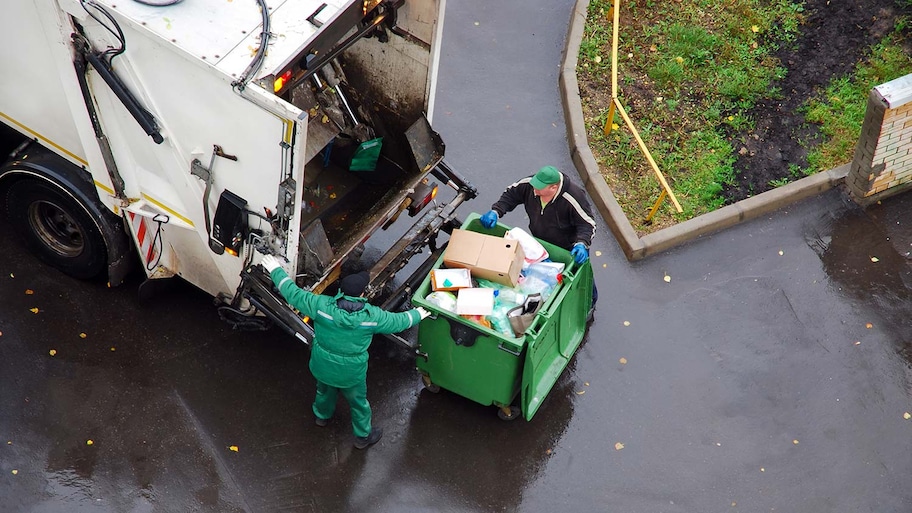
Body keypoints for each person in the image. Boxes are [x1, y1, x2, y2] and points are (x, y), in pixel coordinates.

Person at [261, 255, 430, 450]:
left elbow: (292, 294)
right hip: (351, 374)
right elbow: (399, 321)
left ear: (341, 291)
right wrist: (418, 314)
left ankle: (321, 417)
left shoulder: (321, 306)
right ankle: (362, 436)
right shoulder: (371, 317)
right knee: (358, 403)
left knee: (323, 391)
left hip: (322, 365)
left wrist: (276, 270)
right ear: (361, 294)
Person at [480, 165, 598, 316]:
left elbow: (587, 224)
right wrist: (496, 211)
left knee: (583, 278)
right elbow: (511, 195)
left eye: (540, 189)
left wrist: (582, 243)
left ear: (553, 188)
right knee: (544, 275)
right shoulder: (531, 186)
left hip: (570, 247)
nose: (534, 191)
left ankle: (590, 303)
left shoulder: (572, 198)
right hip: (540, 241)